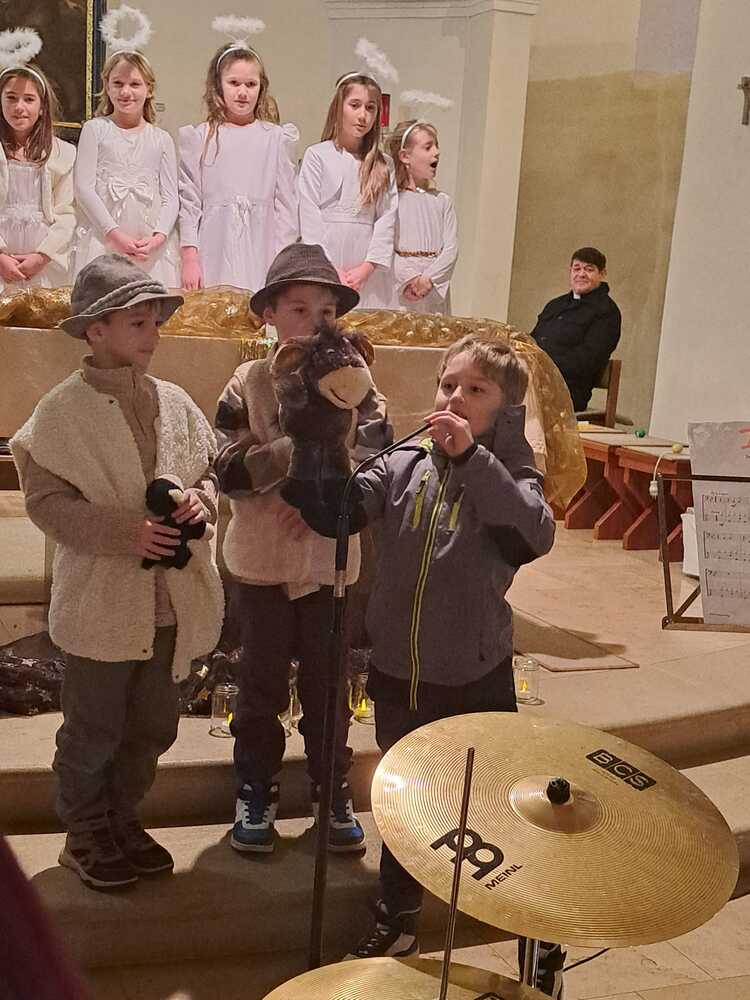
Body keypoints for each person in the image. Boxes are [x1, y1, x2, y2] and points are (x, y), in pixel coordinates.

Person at [295, 335, 564, 997]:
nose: (455, 397)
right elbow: (337, 512)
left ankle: (536, 932)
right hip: (398, 669)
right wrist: (319, 436)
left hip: (474, 673)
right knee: (405, 803)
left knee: (494, 812)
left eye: (475, 389)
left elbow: (533, 533)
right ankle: (398, 916)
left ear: (504, 408)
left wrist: (470, 457)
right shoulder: (405, 459)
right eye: (449, 384)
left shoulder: (511, 468)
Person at [10, 253, 224, 891]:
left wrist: (201, 501)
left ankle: (123, 818)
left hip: (170, 603)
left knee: (153, 724)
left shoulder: (176, 402)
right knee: (93, 727)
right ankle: (84, 831)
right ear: (95, 329)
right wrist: (125, 532)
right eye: (138, 322)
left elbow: (208, 473)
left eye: (156, 321)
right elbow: (47, 504)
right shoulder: (60, 411)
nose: (153, 334)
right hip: (102, 605)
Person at [213, 242, 392, 854]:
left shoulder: (357, 382)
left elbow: (378, 458)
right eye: (298, 309)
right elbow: (225, 465)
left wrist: (327, 499)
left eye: (326, 311)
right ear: (269, 314)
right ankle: (255, 788)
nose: (314, 322)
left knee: (329, 685)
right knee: (259, 686)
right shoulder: (248, 382)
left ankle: (331, 786)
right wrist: (289, 463)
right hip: (263, 561)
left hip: (328, 563)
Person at [178, 41, 298, 292]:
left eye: (250, 84)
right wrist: (190, 257)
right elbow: (190, 203)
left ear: (261, 87)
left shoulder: (276, 138)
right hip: (215, 245)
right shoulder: (201, 137)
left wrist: (283, 263)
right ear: (218, 85)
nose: (242, 92)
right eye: (234, 83)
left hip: (262, 249)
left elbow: (286, 206)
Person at [73, 50, 180, 285]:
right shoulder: (95, 129)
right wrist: (114, 235)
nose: (125, 92)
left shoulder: (162, 139)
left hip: (150, 248)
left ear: (149, 89)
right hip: (104, 241)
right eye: (118, 84)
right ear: (107, 86)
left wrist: (158, 238)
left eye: (135, 84)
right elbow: (84, 189)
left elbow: (171, 198)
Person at [297, 73, 397, 309]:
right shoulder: (317, 155)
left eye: (370, 108)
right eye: (355, 105)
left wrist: (367, 268)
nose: (363, 115)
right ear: (339, 107)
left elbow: (387, 218)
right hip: (326, 262)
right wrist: (330, 268)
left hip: (367, 268)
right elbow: (309, 214)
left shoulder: (383, 164)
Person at [0, 33, 76, 291]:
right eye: (11, 98)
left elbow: (67, 212)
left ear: (42, 107)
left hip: (43, 266)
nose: (19, 107)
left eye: (29, 99)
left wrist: (41, 256)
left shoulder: (62, 154)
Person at [530, 247, 621, 413]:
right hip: (533, 382)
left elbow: (588, 360)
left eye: (589, 269)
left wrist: (542, 367)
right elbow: (532, 341)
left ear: (602, 274)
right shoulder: (555, 305)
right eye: (577, 268)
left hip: (567, 391)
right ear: (570, 271)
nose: (581, 274)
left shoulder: (606, 312)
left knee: (506, 401)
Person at [386, 119, 457, 314]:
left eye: (437, 146)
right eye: (428, 147)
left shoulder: (442, 201)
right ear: (405, 156)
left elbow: (451, 249)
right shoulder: (391, 199)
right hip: (402, 287)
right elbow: (385, 245)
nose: (436, 152)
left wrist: (428, 280)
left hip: (432, 287)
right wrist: (409, 278)